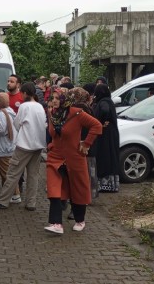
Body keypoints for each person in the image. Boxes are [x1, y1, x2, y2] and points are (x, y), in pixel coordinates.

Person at [44, 87, 102, 234]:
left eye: (57, 98)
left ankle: (80, 220)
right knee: (53, 188)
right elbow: (53, 134)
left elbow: (97, 126)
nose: (54, 101)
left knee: (78, 190)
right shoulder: (52, 114)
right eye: (52, 98)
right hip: (55, 156)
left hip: (74, 157)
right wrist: (51, 145)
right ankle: (56, 223)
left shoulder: (76, 113)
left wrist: (86, 143)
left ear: (65, 99)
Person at [0, 82, 47, 211]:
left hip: (25, 145)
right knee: (33, 175)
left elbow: (17, 123)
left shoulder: (24, 106)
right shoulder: (39, 106)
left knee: (13, 173)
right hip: (39, 145)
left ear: (24, 93)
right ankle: (31, 203)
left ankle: (2, 201)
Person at [92, 84, 121, 193]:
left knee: (105, 157)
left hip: (106, 135)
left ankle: (105, 184)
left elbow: (104, 110)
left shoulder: (103, 102)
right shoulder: (108, 100)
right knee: (110, 156)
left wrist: (101, 122)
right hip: (110, 133)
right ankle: (111, 184)